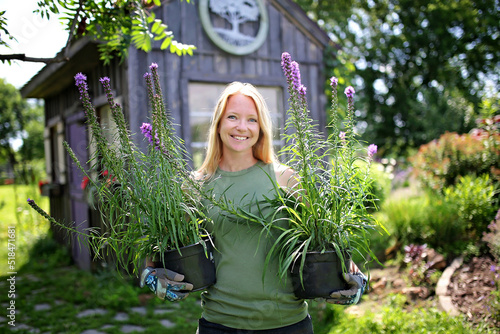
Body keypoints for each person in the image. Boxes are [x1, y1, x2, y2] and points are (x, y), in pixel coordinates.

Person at [140, 82, 367, 333]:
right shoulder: (196, 185)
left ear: (261, 128)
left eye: (252, 119)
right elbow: (163, 247)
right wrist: (151, 275)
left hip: (288, 324)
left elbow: (327, 241)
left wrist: (356, 279)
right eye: (233, 117)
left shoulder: (286, 179)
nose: (241, 127)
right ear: (218, 123)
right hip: (219, 324)